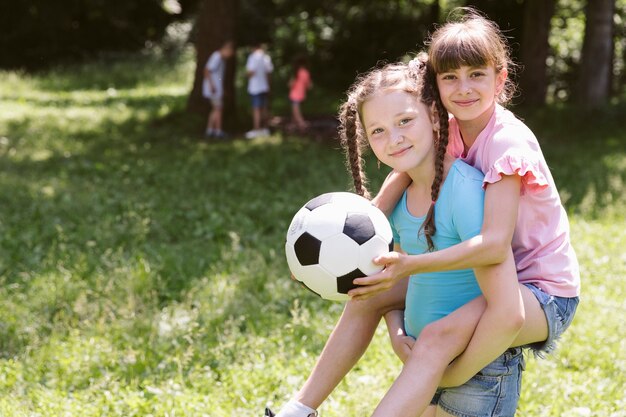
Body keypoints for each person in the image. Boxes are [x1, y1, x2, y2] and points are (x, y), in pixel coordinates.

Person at [266, 8, 580, 417]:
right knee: (366, 299)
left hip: (541, 289)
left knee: (437, 337)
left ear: (501, 78)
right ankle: (300, 409)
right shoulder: (448, 126)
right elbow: (400, 176)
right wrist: (351, 235)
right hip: (496, 274)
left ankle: (442, 374)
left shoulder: (508, 145)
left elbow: (493, 244)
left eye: (476, 75)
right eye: (450, 77)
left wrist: (410, 268)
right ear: (436, 87)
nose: (463, 88)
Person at [203, 40, 234, 139]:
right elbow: (207, 70)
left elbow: (218, 76)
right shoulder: (216, 56)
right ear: (226, 49)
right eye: (230, 53)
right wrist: (212, 85)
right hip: (213, 89)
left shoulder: (221, 59)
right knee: (219, 109)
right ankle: (218, 131)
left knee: (215, 109)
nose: (229, 56)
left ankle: (210, 130)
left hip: (216, 88)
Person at [245, 43, 274, 139]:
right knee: (264, 108)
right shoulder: (266, 57)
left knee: (256, 109)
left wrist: (247, 75)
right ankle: (265, 129)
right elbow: (268, 73)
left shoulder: (253, 57)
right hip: (264, 86)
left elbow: (250, 72)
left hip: (255, 87)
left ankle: (257, 129)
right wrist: (269, 86)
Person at [288, 55, 313, 131]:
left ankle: (302, 124)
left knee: (296, 111)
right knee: (294, 111)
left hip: (294, 95)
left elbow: (290, 84)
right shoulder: (306, 73)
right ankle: (293, 125)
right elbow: (309, 85)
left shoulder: (296, 73)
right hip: (301, 94)